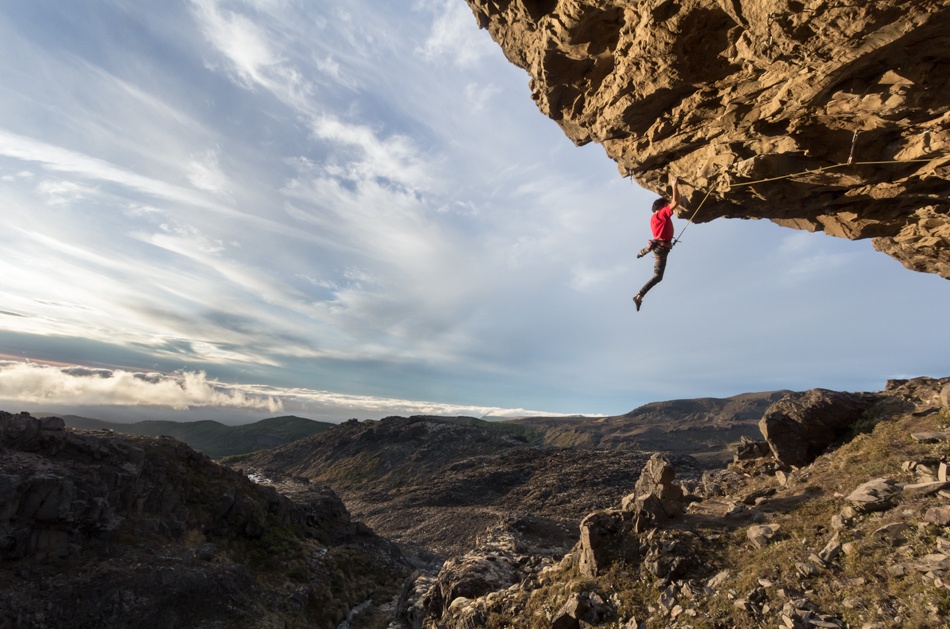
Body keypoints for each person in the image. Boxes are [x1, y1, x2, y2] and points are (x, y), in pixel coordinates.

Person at [633, 175, 679, 311]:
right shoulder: (661, 214)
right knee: (657, 277)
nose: (667, 207)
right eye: (665, 205)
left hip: (659, 247)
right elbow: (675, 202)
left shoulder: (653, 218)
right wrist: (674, 185)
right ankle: (638, 296)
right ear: (661, 207)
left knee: (658, 277)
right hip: (661, 247)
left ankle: (639, 296)